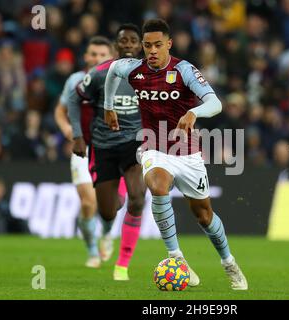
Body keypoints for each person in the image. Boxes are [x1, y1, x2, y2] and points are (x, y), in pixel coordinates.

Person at [104, 19, 248, 290]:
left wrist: (194, 112)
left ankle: (228, 262)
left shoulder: (184, 70)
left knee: (204, 216)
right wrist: (108, 106)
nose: (152, 51)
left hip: (188, 153)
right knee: (158, 186)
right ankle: (177, 258)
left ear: (169, 44)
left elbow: (215, 103)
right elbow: (113, 70)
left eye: (158, 45)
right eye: (147, 46)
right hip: (154, 147)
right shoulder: (134, 69)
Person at [68, 24, 147, 281]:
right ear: (116, 46)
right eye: (123, 41)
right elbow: (73, 98)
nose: (128, 45)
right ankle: (108, 220)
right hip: (103, 148)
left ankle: (122, 264)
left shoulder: (150, 74)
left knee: (138, 199)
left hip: (134, 145)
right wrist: (78, 136)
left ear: (141, 46)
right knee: (108, 211)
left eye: (133, 41)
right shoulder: (100, 73)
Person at [54, 36, 115, 269]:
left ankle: (108, 234)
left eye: (102, 55)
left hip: (111, 149)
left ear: (111, 58)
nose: (97, 58)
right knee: (89, 203)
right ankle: (92, 250)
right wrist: (66, 128)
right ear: (86, 57)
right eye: (93, 54)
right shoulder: (76, 80)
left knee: (109, 204)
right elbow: (60, 111)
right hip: (84, 149)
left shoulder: (119, 81)